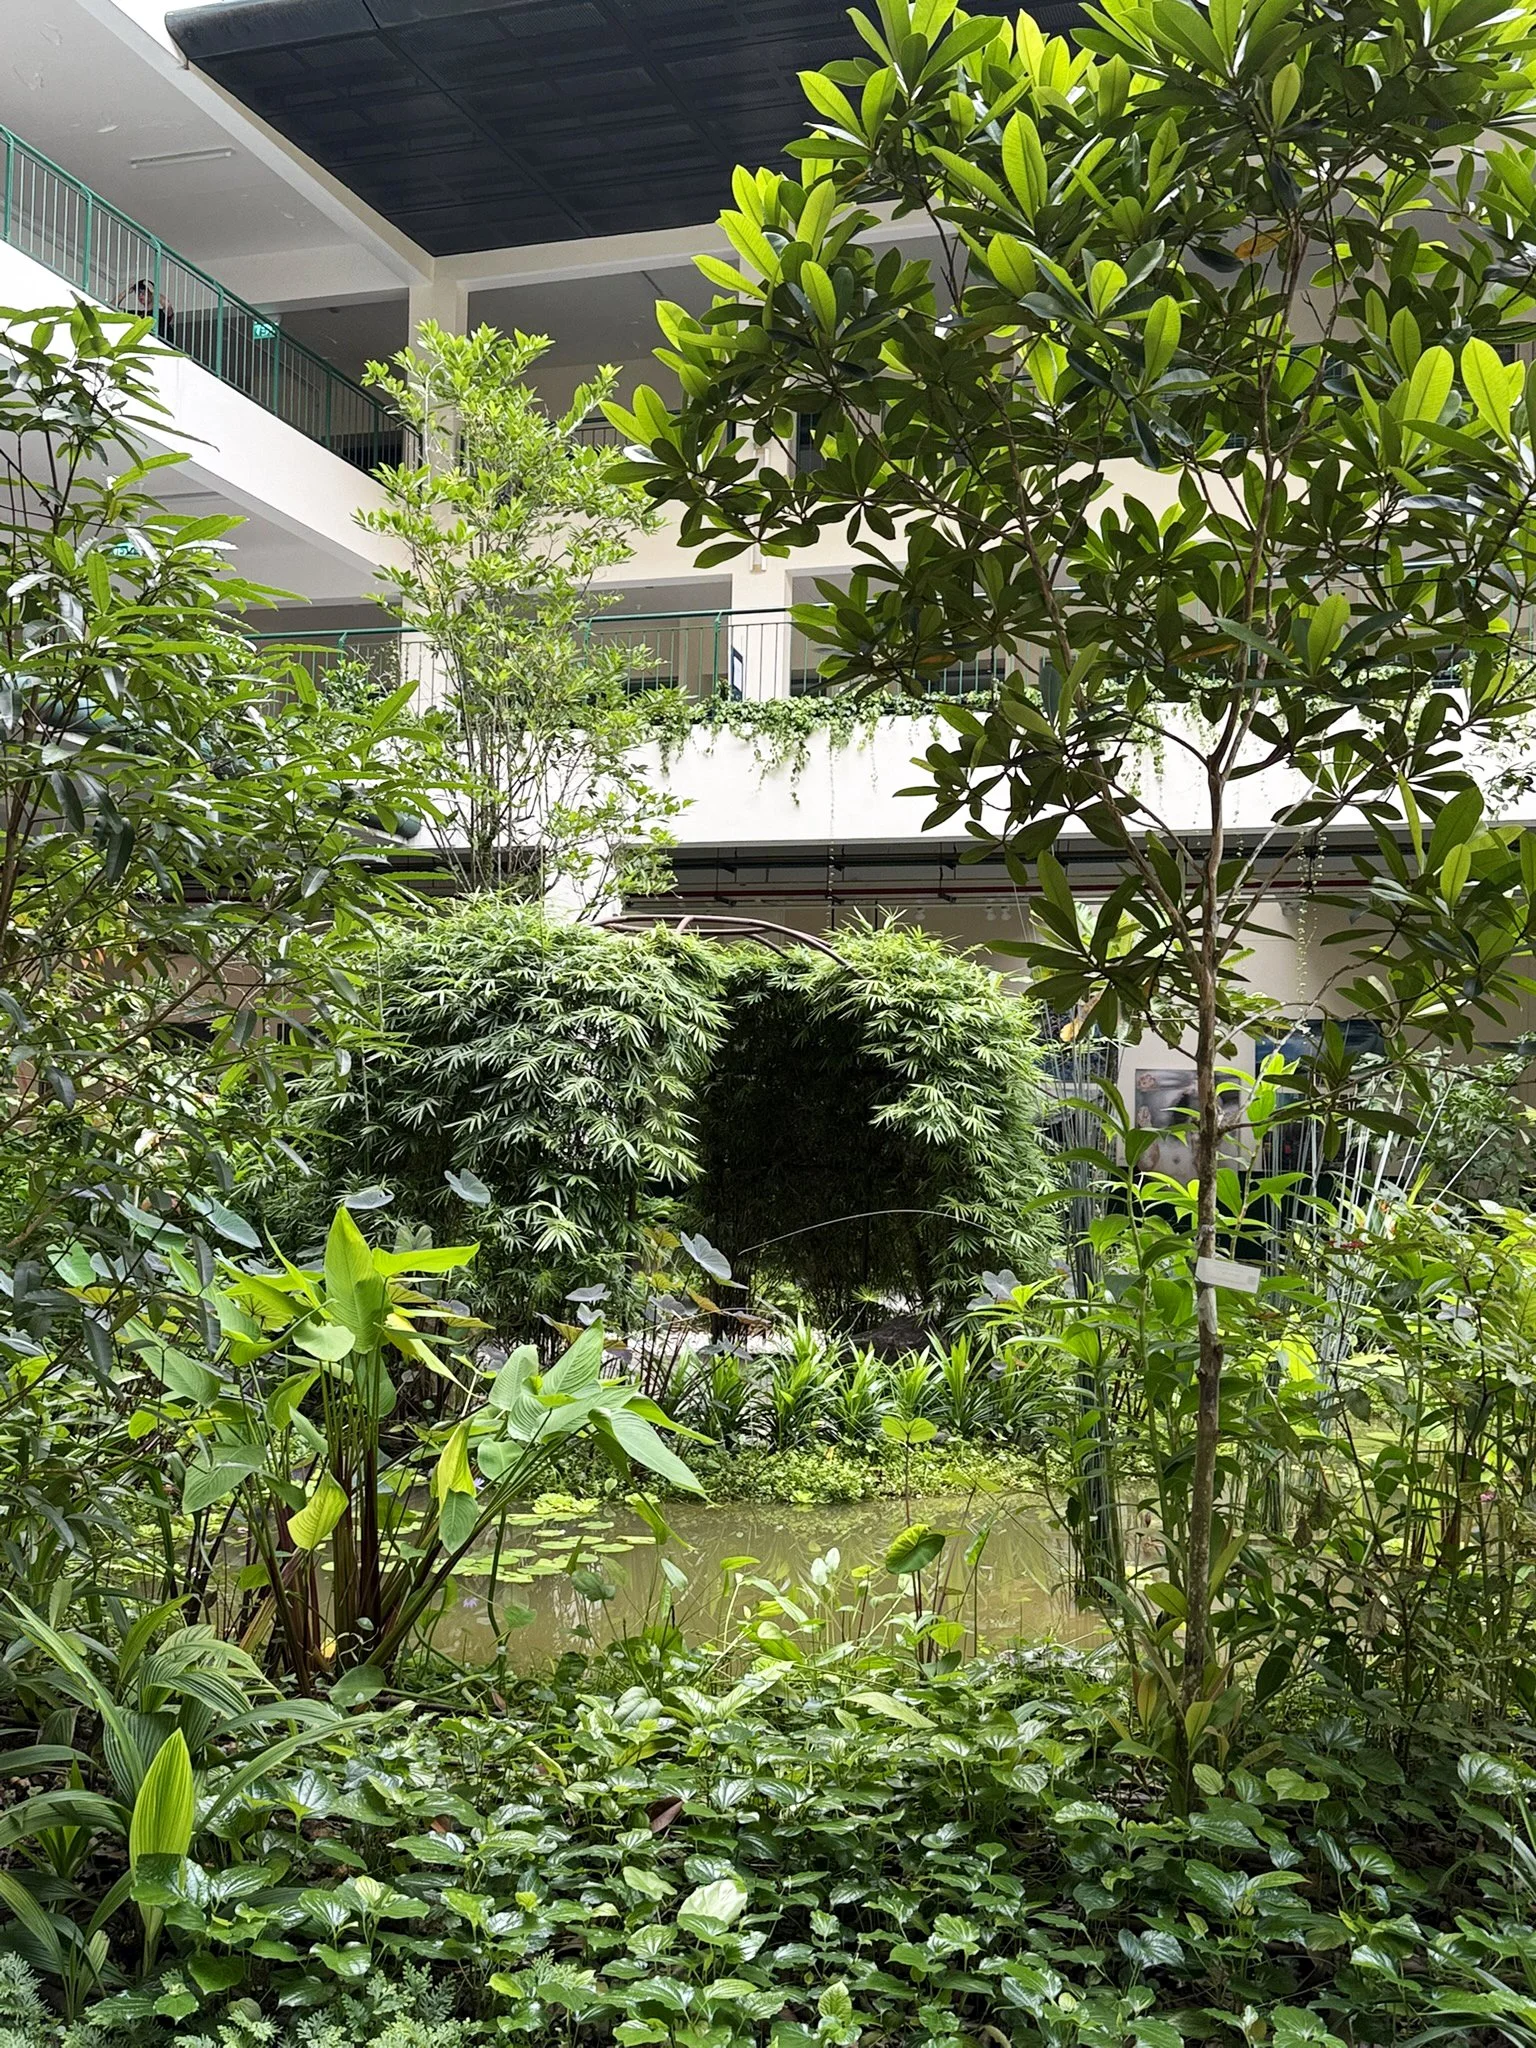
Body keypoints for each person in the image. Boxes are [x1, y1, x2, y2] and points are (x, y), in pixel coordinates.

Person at [118, 278, 175, 346]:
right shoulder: (137, 314)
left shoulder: (160, 313)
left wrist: (154, 291)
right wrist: (125, 292)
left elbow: (167, 305)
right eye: (138, 293)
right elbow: (110, 308)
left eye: (143, 292)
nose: (140, 295)